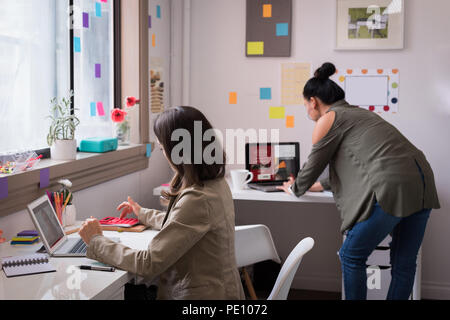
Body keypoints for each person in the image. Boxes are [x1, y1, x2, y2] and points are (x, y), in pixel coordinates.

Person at [277, 62, 440, 300]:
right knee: (404, 264)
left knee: (351, 255)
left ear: (313, 101)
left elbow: (314, 165)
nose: (307, 113)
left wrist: (294, 187)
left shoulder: (329, 118)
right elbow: (358, 165)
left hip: (391, 187)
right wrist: (318, 186)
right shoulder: (361, 114)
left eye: (305, 106)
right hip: (422, 183)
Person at [79, 106, 245, 300]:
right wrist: (142, 213)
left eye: (162, 148)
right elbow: (183, 224)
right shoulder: (215, 184)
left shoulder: (198, 199)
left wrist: (97, 241)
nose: (164, 155)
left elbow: (148, 263)